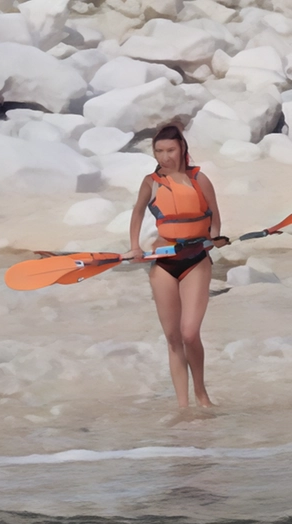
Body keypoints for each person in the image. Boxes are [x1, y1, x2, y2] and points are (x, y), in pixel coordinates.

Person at [125, 125, 228, 409]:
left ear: (182, 148)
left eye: (170, 150)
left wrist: (215, 237)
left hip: (196, 261)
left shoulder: (199, 179)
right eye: (159, 151)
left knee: (189, 333)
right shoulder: (151, 181)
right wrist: (135, 247)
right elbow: (136, 213)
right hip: (164, 263)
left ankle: (200, 394)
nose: (165, 156)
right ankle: (183, 407)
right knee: (173, 338)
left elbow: (214, 216)